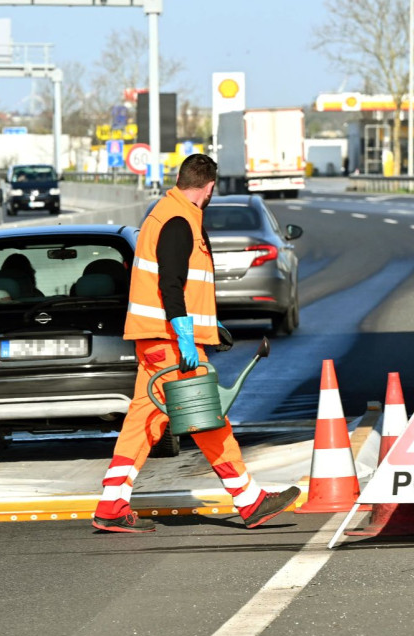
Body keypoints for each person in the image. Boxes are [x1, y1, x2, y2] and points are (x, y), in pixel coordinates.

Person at [91, 154, 300, 533]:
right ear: (209, 188)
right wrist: (185, 333)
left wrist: (207, 322)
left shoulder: (166, 213)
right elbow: (170, 283)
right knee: (209, 418)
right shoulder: (178, 220)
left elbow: (181, 285)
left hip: (156, 341)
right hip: (171, 343)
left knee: (144, 422)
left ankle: (111, 503)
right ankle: (249, 500)